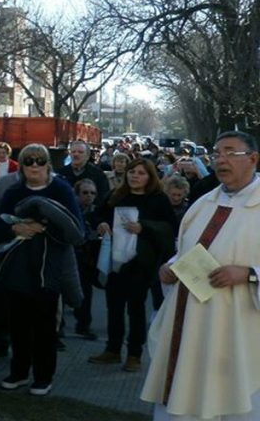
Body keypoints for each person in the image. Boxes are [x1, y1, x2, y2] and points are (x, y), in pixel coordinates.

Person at [141, 131, 260, 420]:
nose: (221, 159)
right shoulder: (203, 203)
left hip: (236, 331)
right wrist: (170, 267)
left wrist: (249, 274)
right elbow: (187, 250)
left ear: (253, 159)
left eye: (231, 152)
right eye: (217, 153)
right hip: (189, 323)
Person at [0, 143, 84, 397]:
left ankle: (44, 377)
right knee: (18, 324)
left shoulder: (61, 190)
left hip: (49, 266)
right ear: (21, 165)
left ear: (48, 164)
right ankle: (19, 372)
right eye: (28, 161)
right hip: (18, 265)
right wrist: (15, 229)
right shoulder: (12, 192)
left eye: (39, 160)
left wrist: (44, 227)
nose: (34, 165)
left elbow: (76, 230)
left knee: (45, 325)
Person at [88, 159, 175, 373]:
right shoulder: (116, 195)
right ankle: (113, 349)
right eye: (131, 172)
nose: (134, 176)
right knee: (114, 306)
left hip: (141, 262)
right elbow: (97, 214)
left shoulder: (158, 199)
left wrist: (143, 227)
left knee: (136, 308)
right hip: (115, 259)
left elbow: (169, 228)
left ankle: (134, 354)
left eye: (140, 173)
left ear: (150, 177)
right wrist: (101, 223)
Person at [72, 178, 102, 340]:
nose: (89, 196)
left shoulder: (96, 212)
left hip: (87, 256)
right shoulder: (71, 209)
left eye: (92, 193)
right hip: (72, 253)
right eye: (85, 193)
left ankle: (83, 324)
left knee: (86, 291)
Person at [58, 140, 110, 207]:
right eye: (73, 152)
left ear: (87, 156)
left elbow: (103, 198)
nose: (76, 154)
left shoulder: (98, 174)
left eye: (80, 152)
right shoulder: (60, 174)